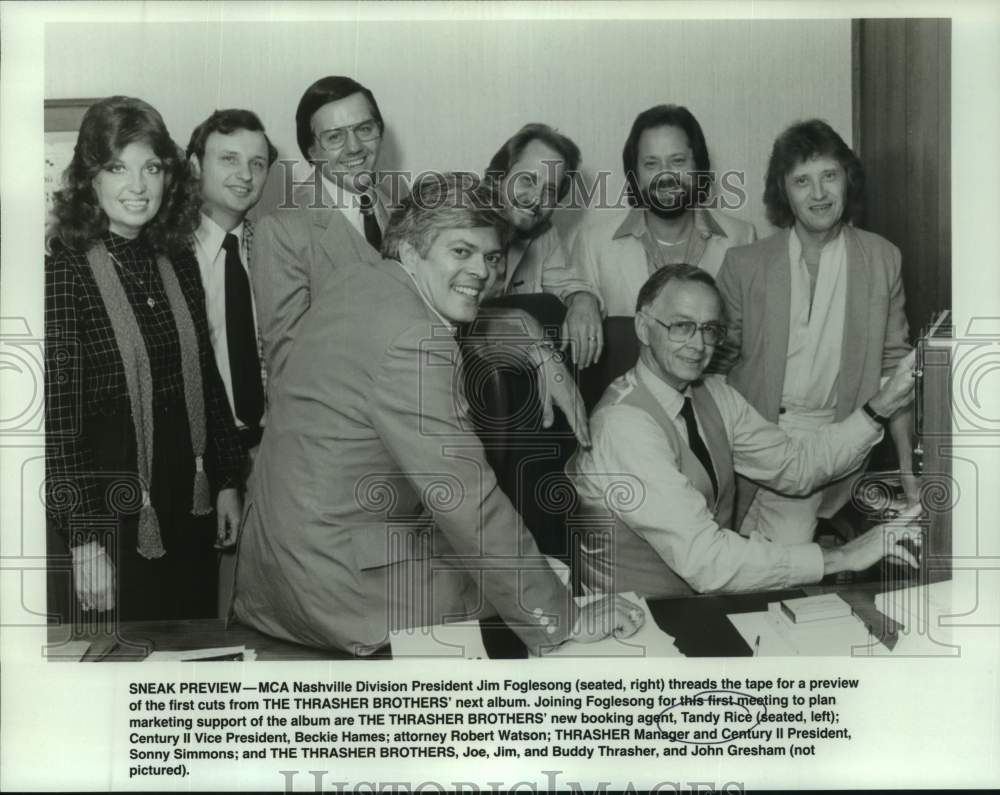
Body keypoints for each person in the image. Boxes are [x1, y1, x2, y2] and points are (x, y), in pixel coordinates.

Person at [232, 173, 642, 655]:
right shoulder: (413, 341)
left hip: (275, 572)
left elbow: (463, 318)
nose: (483, 272)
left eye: (491, 257)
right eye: (461, 252)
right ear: (409, 252)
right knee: (551, 582)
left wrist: (535, 344)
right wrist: (561, 618)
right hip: (343, 591)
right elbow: (465, 498)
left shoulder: (356, 281)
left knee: (524, 569)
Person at [567, 264, 920, 599]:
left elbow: (795, 466)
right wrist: (842, 557)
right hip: (632, 624)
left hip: (693, 606)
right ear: (643, 328)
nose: (698, 344)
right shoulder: (622, 424)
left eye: (709, 329)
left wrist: (883, 405)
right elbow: (706, 560)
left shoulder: (712, 394)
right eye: (681, 326)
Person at [45, 96, 246, 621]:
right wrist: (85, 542)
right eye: (118, 168)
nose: (138, 186)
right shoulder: (63, 271)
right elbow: (59, 426)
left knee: (194, 641)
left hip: (188, 490)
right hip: (108, 499)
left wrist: (227, 479)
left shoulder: (175, 256)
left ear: (168, 176)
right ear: (90, 178)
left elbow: (203, 369)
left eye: (151, 168)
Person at [716, 119, 915, 545]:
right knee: (771, 559)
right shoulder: (744, 264)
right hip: (758, 439)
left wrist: (908, 472)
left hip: (843, 438)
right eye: (802, 181)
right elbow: (714, 373)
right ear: (783, 191)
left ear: (848, 179)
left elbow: (895, 372)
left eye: (829, 176)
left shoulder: (883, 258)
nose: (819, 193)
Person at [569, 104, 756, 365]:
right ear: (635, 175)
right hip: (627, 397)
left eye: (677, 161)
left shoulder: (742, 237)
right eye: (651, 164)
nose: (666, 176)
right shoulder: (593, 243)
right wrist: (580, 298)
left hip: (715, 396)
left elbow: (748, 344)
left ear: (699, 166)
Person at [251, 75, 388, 390]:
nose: (354, 148)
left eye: (364, 129)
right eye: (335, 137)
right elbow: (288, 367)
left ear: (380, 132)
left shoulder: (400, 212)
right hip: (338, 428)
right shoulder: (281, 230)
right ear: (312, 151)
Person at [187, 109, 278, 456]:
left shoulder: (278, 251)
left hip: (273, 445)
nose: (245, 175)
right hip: (198, 450)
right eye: (229, 159)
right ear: (195, 166)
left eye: (257, 163)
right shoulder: (164, 256)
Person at [483, 123, 603, 367]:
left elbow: (568, 282)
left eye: (549, 190)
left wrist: (583, 300)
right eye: (527, 180)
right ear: (499, 177)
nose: (537, 199)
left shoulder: (542, 233)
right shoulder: (459, 217)